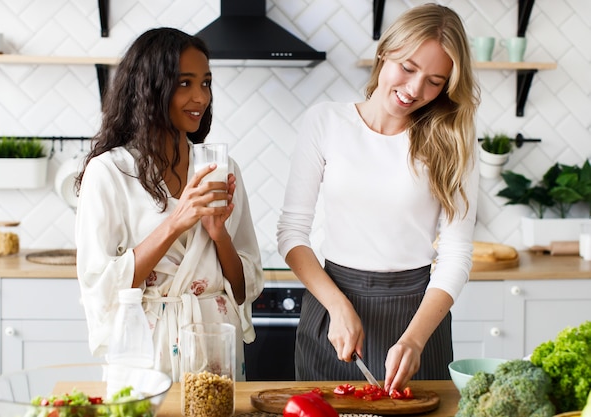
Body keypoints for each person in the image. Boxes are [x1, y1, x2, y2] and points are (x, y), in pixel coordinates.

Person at [277, 3, 480, 392]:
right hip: (331, 310)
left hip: (417, 317)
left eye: (435, 81)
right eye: (408, 67)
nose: (415, 90)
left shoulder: (453, 139)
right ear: (385, 53)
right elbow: (291, 234)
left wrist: (415, 338)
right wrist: (336, 306)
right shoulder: (326, 122)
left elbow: (456, 253)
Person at [74, 27, 264, 382]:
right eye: (184, 84)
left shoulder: (220, 168)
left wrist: (218, 233)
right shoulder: (110, 173)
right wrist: (176, 222)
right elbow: (100, 287)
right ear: (150, 88)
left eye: (205, 83)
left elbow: (242, 289)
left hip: (215, 346)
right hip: (145, 351)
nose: (200, 98)